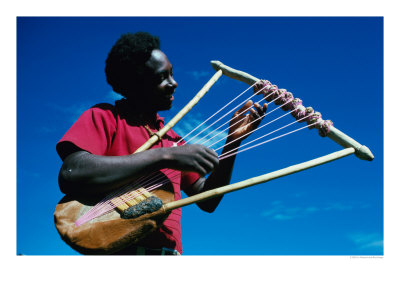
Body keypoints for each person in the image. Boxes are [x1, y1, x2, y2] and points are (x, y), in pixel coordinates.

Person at [56, 32, 267, 255]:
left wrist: (232, 142)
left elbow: (207, 200)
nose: (173, 83)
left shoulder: (174, 140)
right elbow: (71, 172)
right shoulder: (106, 117)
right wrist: (165, 156)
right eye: (161, 78)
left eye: (172, 74)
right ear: (133, 84)